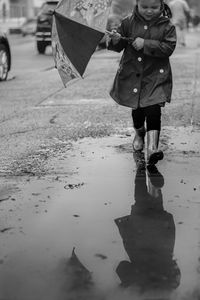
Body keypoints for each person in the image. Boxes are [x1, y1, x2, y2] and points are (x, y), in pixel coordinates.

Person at [106, 0, 177, 165]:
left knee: (153, 110)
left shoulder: (167, 26)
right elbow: (118, 45)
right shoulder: (128, 22)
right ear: (137, 5)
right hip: (133, 75)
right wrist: (116, 39)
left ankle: (153, 148)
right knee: (137, 113)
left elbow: (169, 47)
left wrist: (146, 44)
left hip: (155, 76)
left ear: (161, 6)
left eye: (154, 7)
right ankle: (139, 133)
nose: (149, 11)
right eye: (145, 7)